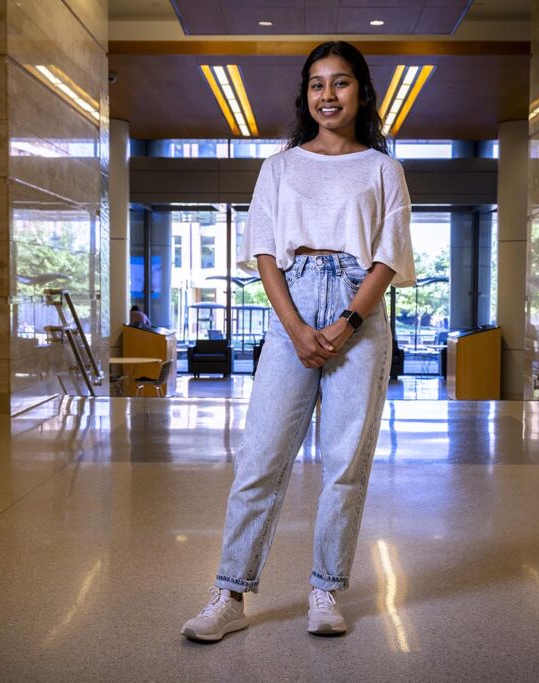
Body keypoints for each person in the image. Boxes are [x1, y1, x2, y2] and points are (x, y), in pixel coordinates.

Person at [181, 41, 415, 642]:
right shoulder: (279, 167)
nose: (327, 95)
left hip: (358, 307)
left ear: (360, 92)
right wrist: (294, 327)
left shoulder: (383, 169)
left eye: (340, 83)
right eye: (316, 84)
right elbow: (263, 252)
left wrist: (348, 323)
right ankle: (230, 594)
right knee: (259, 458)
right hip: (292, 302)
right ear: (304, 94)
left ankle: (325, 589)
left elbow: (389, 257)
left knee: (343, 463)